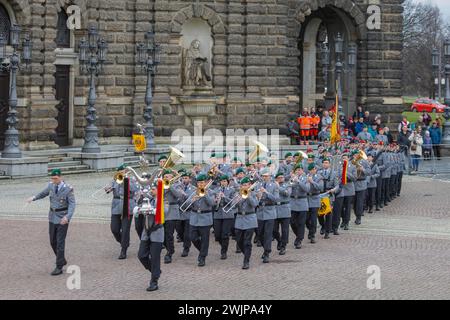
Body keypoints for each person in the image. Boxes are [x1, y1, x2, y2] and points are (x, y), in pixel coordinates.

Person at [27, 169, 76, 276]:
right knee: (52, 241)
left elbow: (72, 205)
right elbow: (43, 193)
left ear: (60, 177)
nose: (54, 180)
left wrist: (67, 217)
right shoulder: (51, 185)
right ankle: (62, 259)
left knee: (60, 242)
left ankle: (59, 266)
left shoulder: (68, 189)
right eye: (52, 178)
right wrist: (33, 198)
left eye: (55, 178)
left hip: (63, 218)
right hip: (52, 217)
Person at [105, 164, 140, 260]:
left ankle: (123, 250)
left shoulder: (132, 179)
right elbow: (107, 187)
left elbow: (135, 189)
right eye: (120, 172)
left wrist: (126, 180)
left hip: (128, 205)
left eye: (124, 172)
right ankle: (124, 242)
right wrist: (108, 188)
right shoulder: (115, 179)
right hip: (116, 206)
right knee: (114, 229)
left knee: (125, 229)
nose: (122, 173)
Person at [136, 183, 163, 292]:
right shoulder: (148, 199)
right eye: (151, 189)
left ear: (158, 190)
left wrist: (151, 210)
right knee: (141, 255)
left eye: (153, 189)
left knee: (155, 257)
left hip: (157, 232)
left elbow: (164, 211)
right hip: (146, 232)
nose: (151, 191)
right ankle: (155, 271)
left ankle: (154, 282)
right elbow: (138, 209)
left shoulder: (162, 200)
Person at [234, 177, 259, 269]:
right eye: (243, 185)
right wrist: (237, 200)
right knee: (239, 240)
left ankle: (246, 261)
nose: (244, 186)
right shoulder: (238, 194)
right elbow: (233, 206)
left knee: (247, 241)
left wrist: (247, 195)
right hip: (240, 219)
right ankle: (247, 254)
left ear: (249, 185)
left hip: (250, 219)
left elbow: (254, 204)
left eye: (246, 185)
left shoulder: (254, 193)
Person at [256, 168, 280, 263]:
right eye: (263, 176)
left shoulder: (274, 186)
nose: (265, 177)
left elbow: (276, 199)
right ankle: (265, 248)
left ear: (270, 176)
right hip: (260, 211)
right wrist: (257, 195)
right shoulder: (258, 185)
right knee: (260, 234)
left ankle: (267, 252)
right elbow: (254, 195)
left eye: (266, 176)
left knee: (268, 233)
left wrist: (266, 192)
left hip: (270, 211)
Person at [213, 175, 236, 260]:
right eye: (222, 181)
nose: (223, 183)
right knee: (217, 235)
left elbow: (232, 202)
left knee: (225, 234)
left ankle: (224, 252)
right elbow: (212, 202)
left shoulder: (232, 190)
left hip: (227, 214)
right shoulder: (216, 190)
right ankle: (223, 245)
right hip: (217, 213)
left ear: (228, 182)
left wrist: (224, 197)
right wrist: (215, 200)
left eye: (225, 181)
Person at [289, 164, 310, 249]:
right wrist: (292, 180)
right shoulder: (292, 178)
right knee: (292, 222)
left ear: (303, 171)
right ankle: (299, 235)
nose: (298, 171)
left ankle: (299, 240)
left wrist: (298, 181)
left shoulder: (306, 178)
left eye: (300, 170)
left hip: (302, 202)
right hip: (293, 202)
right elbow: (288, 187)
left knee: (301, 223)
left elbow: (307, 189)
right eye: (297, 170)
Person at [273, 172, 292, 255]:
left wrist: (278, 187)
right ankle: (279, 241)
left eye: (282, 177)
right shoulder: (272, 185)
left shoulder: (288, 185)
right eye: (279, 177)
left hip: (285, 209)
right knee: (274, 230)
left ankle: (283, 246)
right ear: (276, 179)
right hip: (275, 209)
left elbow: (287, 193)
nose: (281, 179)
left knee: (285, 230)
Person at [306, 163, 323, 243]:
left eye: (313, 169)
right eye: (310, 170)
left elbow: (320, 187)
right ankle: (310, 230)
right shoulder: (305, 176)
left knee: (313, 219)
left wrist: (312, 182)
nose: (312, 171)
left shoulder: (319, 177)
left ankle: (312, 235)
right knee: (306, 219)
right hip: (306, 199)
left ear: (315, 169)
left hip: (315, 198)